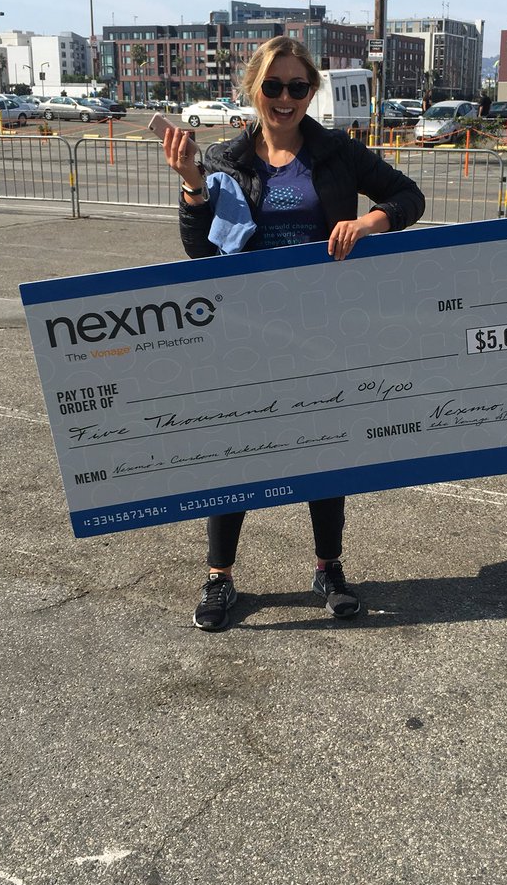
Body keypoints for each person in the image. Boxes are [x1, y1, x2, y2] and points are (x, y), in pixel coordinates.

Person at [162, 36, 426, 632]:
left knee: (324, 450)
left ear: (311, 92)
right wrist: (192, 184)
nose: (286, 98)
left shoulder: (337, 151)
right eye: (274, 86)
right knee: (236, 452)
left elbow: (408, 196)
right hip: (247, 328)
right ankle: (220, 577)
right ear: (254, 88)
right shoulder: (226, 159)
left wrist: (368, 223)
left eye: (298, 87)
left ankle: (329, 569)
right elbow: (200, 250)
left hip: (321, 326)